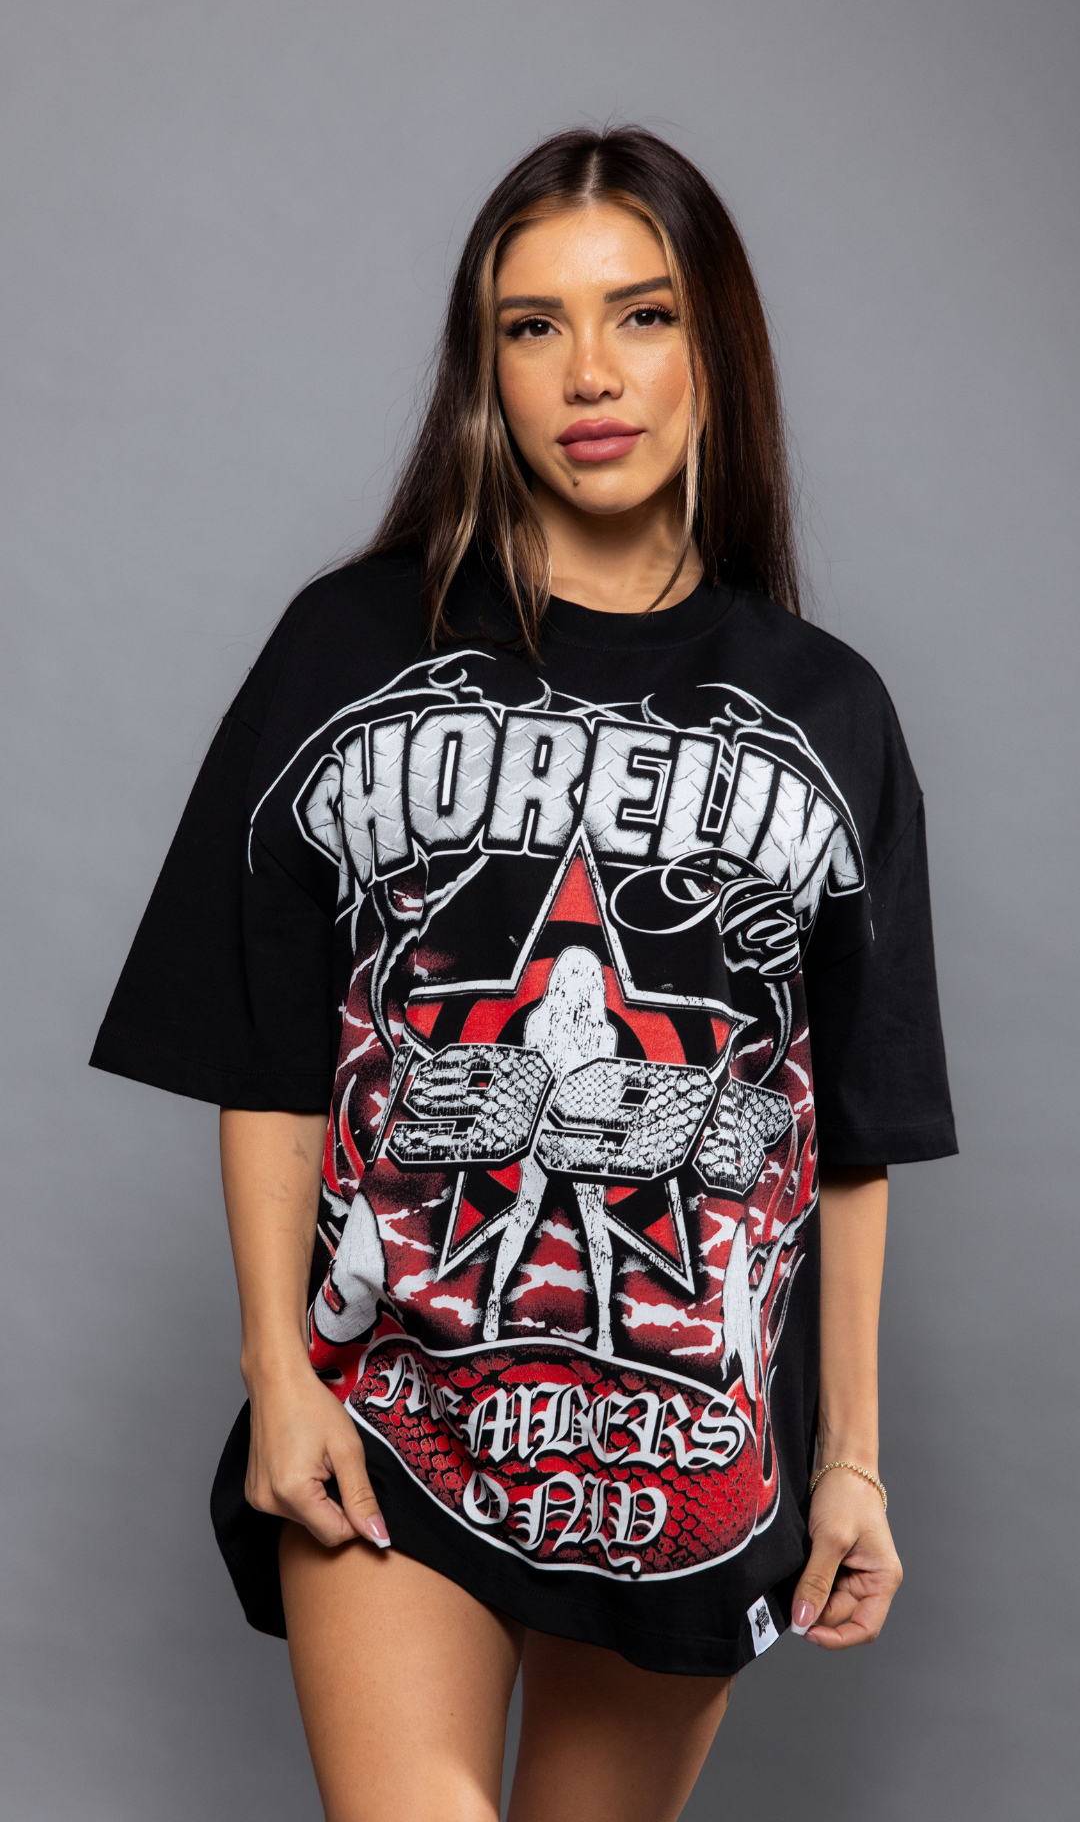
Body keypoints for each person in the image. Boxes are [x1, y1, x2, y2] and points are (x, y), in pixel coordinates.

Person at [91, 127, 957, 1822]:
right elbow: (265, 1061)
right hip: (394, 1413)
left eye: (642, 315)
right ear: (483, 366)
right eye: (532, 325)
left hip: (687, 1453)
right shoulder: (349, 647)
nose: (590, 374)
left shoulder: (833, 712)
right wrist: (278, 1374)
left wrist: (850, 1463)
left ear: (716, 347)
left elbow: (844, 1133)